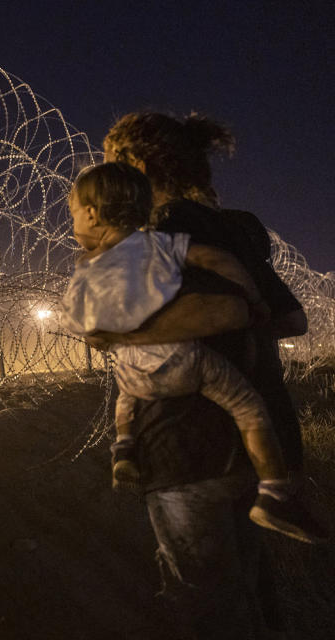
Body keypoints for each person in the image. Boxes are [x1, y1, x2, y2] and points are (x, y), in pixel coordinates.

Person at [94, 112, 326, 638]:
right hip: (253, 441)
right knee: (246, 584)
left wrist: (121, 331)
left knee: (203, 606)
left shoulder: (159, 230)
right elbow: (292, 317)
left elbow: (222, 311)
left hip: (187, 441)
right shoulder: (231, 229)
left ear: (136, 164)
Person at [61, 162, 321, 543]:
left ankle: (124, 451)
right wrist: (251, 296)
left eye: (72, 216)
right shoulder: (160, 245)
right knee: (249, 408)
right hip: (187, 361)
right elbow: (217, 261)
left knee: (125, 402)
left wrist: (107, 330)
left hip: (135, 371)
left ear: (91, 213)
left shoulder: (86, 265)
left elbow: (82, 326)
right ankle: (273, 493)